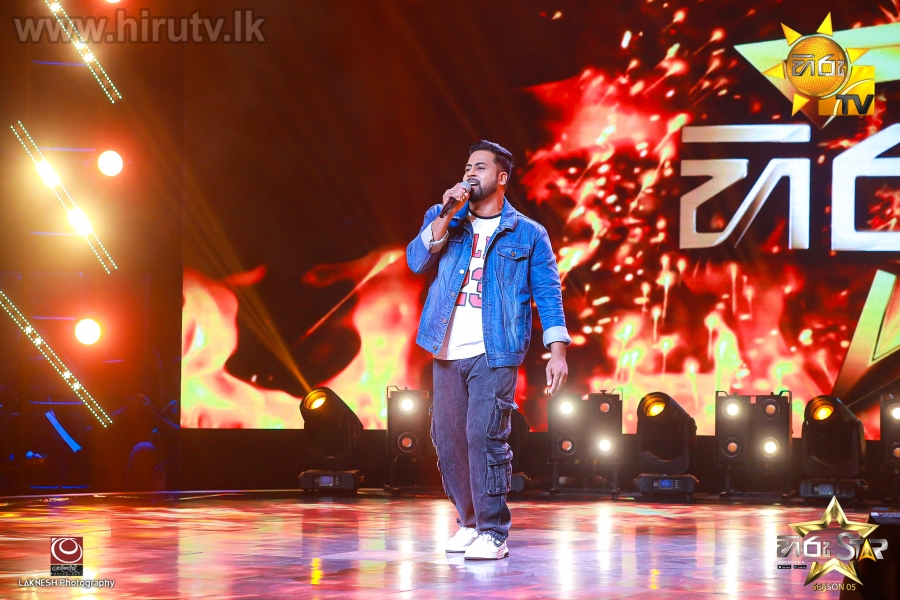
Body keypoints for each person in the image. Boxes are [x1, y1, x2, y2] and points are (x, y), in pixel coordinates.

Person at [406, 140, 570, 560]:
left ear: (501, 177)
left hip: (494, 350)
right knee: (449, 442)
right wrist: (447, 213)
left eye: (479, 167)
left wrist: (558, 351)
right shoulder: (445, 217)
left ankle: (494, 531)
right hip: (445, 349)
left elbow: (548, 294)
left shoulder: (528, 233)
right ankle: (469, 522)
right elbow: (416, 261)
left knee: (484, 438)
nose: (469, 173)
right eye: (466, 167)